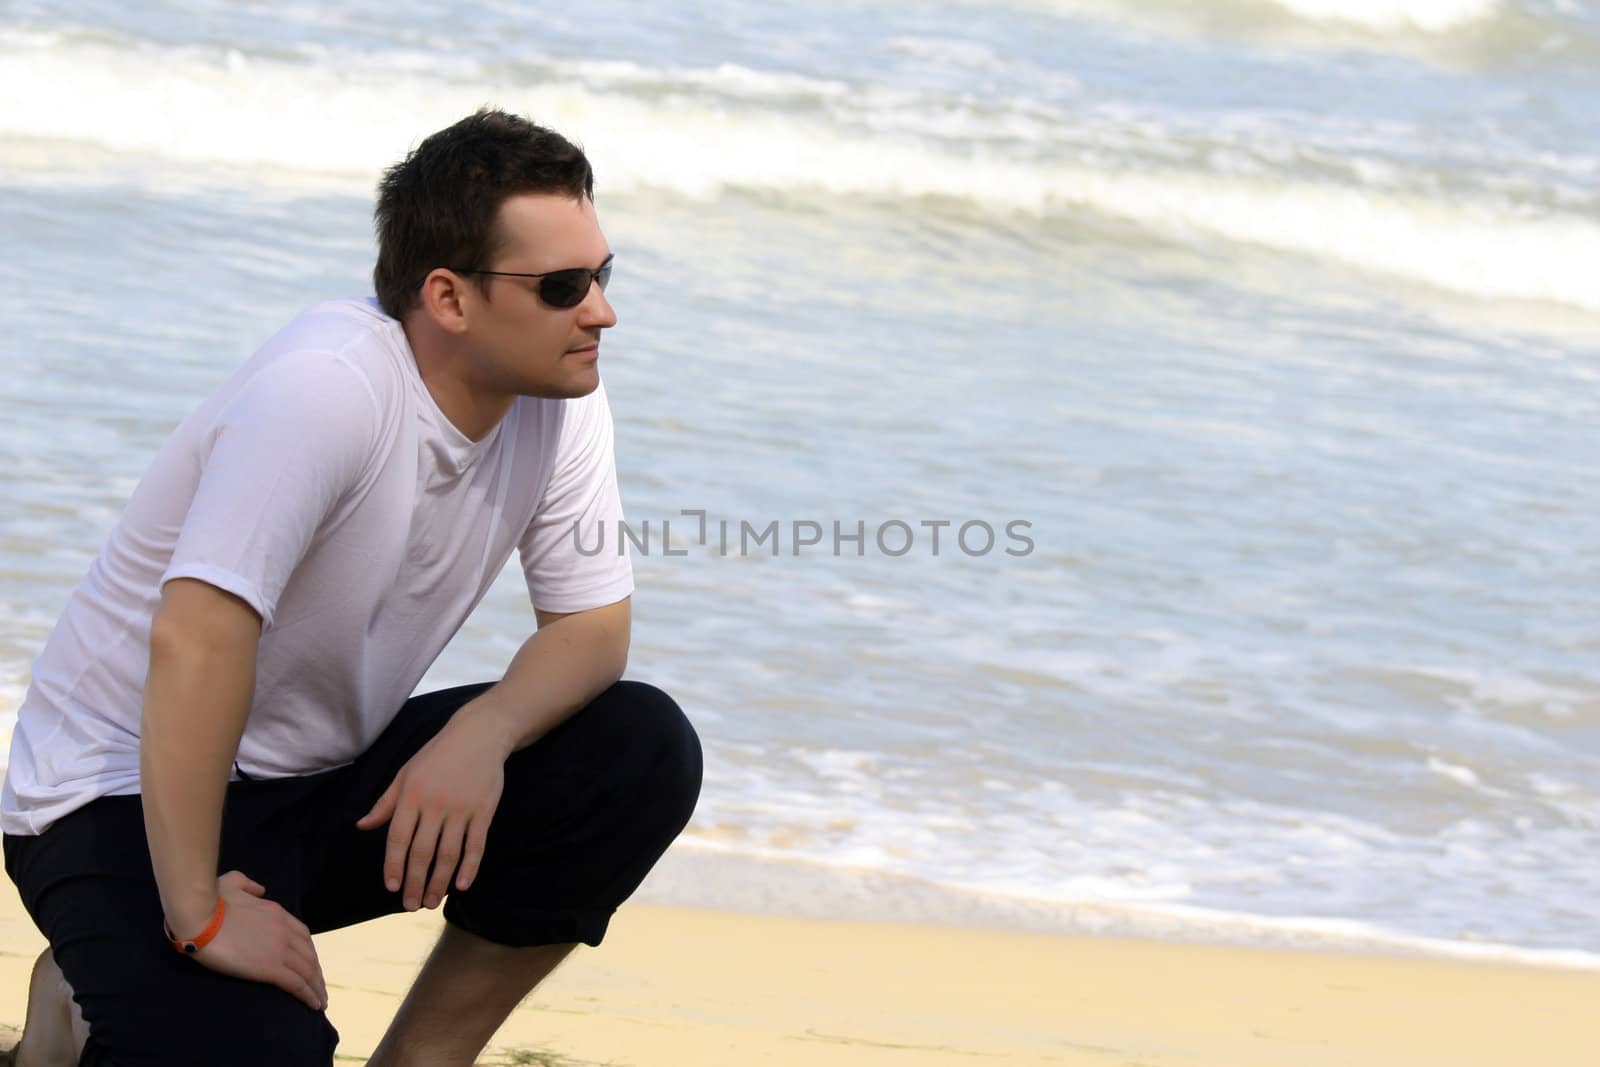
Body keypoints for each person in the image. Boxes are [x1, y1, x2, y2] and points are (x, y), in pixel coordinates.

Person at [1, 108, 703, 1067]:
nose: (602, 312)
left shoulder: (561, 396)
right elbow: (196, 642)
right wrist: (196, 914)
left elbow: (591, 627)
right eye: (563, 286)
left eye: (603, 275)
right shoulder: (327, 385)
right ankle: (81, 993)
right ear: (448, 299)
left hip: (312, 786)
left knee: (636, 747)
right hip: (120, 796)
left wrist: (482, 734)